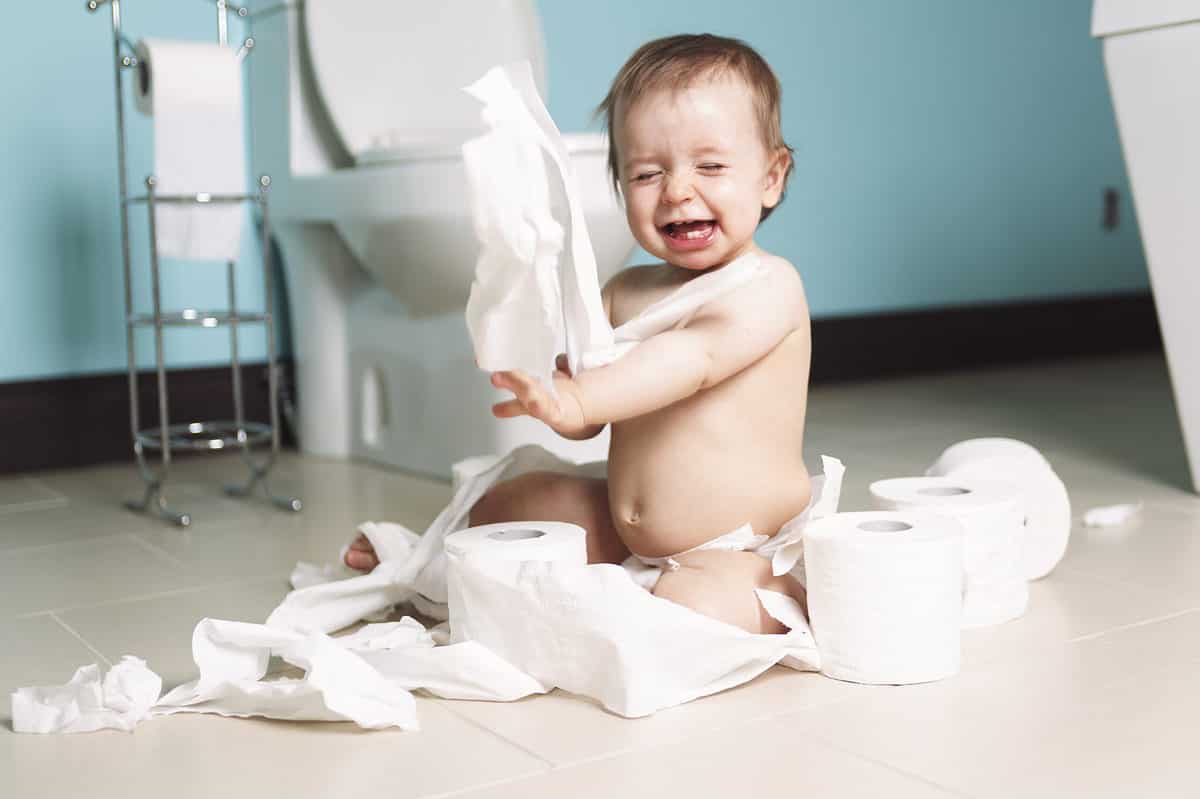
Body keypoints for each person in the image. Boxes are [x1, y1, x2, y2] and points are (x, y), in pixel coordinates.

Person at [348, 34, 812, 635]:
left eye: (711, 166)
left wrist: (582, 398)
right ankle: (421, 566)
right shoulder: (626, 289)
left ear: (771, 178)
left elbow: (692, 357)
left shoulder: (768, 286)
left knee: (691, 609)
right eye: (647, 173)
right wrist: (550, 379)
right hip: (628, 527)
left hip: (738, 544)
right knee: (506, 508)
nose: (677, 190)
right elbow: (591, 414)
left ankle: (779, 590)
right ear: (619, 185)